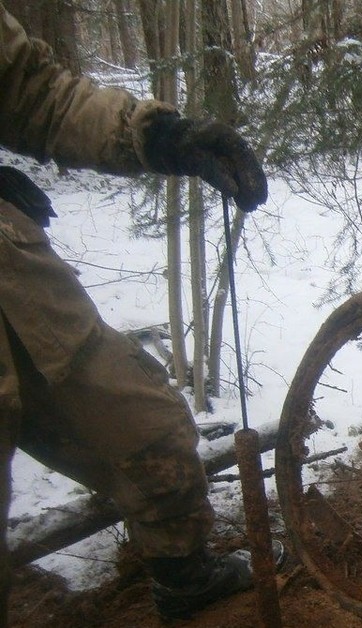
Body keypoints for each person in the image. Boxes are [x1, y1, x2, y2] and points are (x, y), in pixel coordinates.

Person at [0, 4, 273, 620]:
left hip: (16, 284)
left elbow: (35, 94)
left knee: (150, 428)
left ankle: (185, 577)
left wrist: (161, 138)